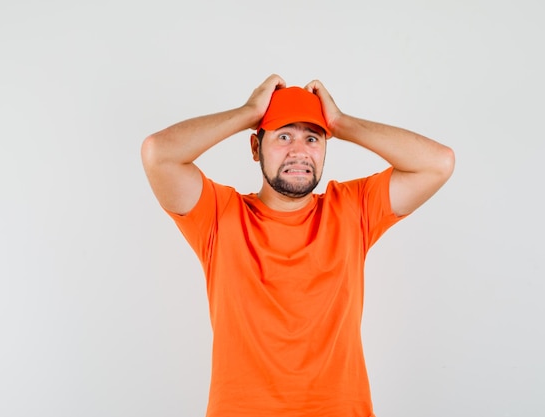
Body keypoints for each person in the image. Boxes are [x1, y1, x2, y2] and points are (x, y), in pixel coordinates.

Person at [141, 74, 455, 417]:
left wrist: (341, 123)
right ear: (255, 147)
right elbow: (158, 153)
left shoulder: (351, 209)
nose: (299, 151)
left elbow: (438, 163)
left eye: (313, 138)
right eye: (284, 136)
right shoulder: (219, 216)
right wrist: (249, 112)